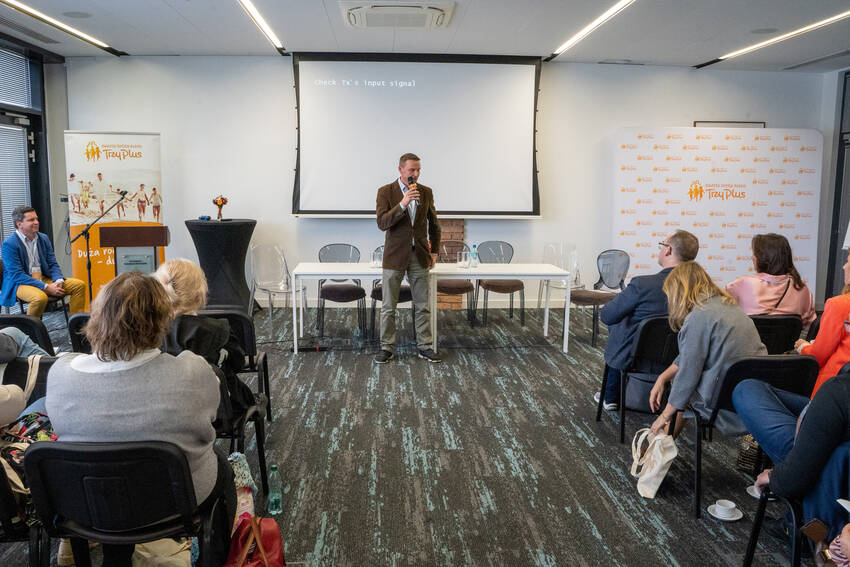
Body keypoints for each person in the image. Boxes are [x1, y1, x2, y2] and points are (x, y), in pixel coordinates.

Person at [46, 271, 236, 566]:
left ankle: (115, 557)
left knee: (107, 472)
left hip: (89, 501)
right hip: (175, 503)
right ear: (162, 319)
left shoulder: (60, 374)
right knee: (223, 465)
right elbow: (211, 419)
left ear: (96, 316)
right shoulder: (192, 371)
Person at [648, 262, 767, 436]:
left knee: (683, 389)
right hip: (753, 392)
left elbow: (688, 372)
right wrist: (663, 377)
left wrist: (664, 416)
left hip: (723, 402)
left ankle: (660, 442)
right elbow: (690, 356)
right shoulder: (729, 306)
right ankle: (664, 439)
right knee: (682, 388)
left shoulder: (699, 316)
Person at [595, 230, 699, 410]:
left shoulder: (643, 284)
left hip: (635, 358)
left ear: (668, 250)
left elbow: (607, 316)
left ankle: (611, 396)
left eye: (662, 245)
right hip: (679, 358)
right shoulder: (700, 288)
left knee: (620, 323)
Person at [154, 258, 253, 430]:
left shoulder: (149, 333)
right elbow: (237, 364)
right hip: (220, 411)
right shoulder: (219, 329)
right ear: (199, 293)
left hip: (163, 411)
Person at [374, 152, 441, 364]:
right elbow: (382, 223)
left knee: (422, 305)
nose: (416, 174)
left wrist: (434, 252)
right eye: (412, 169)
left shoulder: (426, 192)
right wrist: (403, 204)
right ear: (401, 169)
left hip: (419, 256)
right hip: (394, 256)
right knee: (389, 306)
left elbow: (434, 224)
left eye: (418, 170)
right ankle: (387, 348)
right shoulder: (385, 191)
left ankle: (425, 346)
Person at [0, 206, 86, 317]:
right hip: (20, 283)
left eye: (36, 219)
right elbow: (17, 275)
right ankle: (30, 327)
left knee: (78, 285)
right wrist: (46, 287)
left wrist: (58, 280)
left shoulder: (43, 238)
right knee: (39, 298)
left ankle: (76, 324)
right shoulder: (9, 244)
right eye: (31, 220)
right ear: (19, 224)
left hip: (42, 278)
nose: (36, 222)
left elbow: (52, 263)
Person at [792, 251, 850, 397]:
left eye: (848, 261)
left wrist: (803, 347)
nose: (843, 267)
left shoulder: (839, 305)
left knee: (749, 388)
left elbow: (818, 356)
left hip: (831, 395)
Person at [726, 233, 815, 325]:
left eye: (754, 254)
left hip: (750, 334)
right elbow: (810, 323)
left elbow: (724, 314)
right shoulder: (801, 288)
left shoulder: (741, 285)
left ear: (762, 259)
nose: (752, 257)